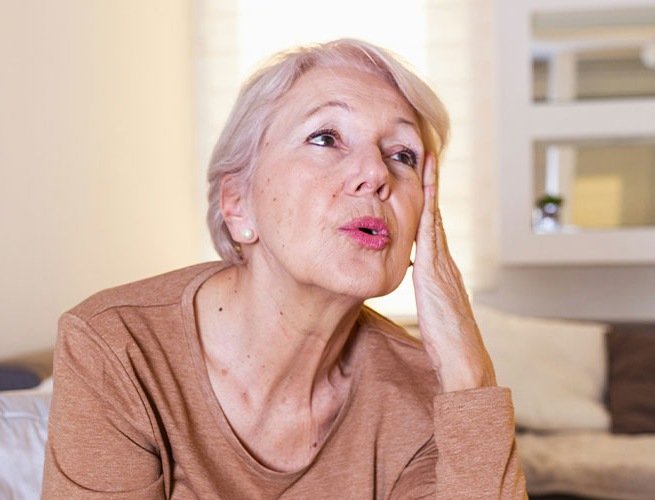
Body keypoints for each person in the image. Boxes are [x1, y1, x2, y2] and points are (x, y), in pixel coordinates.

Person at [42, 38, 527, 499]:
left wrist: (467, 372)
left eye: (402, 155)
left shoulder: (429, 390)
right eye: (326, 138)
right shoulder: (116, 346)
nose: (378, 175)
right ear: (238, 206)